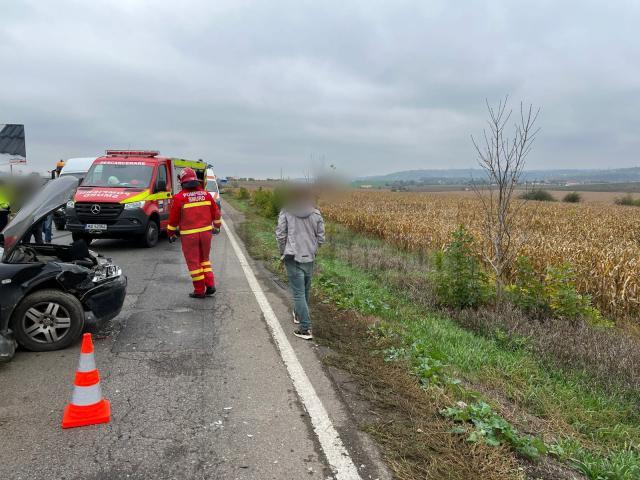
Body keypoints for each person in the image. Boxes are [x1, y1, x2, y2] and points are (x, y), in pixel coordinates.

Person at [275, 187, 325, 340]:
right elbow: (321, 238)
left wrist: (283, 252)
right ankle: (298, 315)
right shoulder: (316, 214)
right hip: (309, 257)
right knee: (305, 290)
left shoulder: (286, 212)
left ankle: (305, 328)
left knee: (298, 293)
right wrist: (312, 250)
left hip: (292, 257)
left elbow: (280, 234)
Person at [167, 168, 221, 298]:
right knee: (205, 260)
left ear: (182, 182)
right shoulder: (206, 194)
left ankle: (199, 290)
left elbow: (173, 220)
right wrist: (217, 226)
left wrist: (170, 233)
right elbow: (216, 213)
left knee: (194, 263)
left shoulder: (179, 198)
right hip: (206, 234)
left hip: (189, 236)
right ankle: (210, 284)